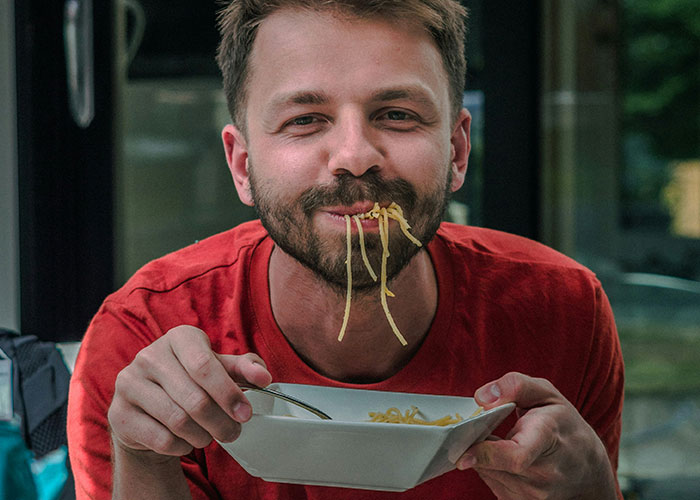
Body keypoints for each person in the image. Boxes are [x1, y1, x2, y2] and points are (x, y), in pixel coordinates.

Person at [67, 1, 625, 499]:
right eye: (305, 120)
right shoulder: (141, 341)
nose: (355, 156)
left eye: (397, 114)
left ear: (457, 150)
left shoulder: (563, 312)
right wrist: (142, 455)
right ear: (242, 166)